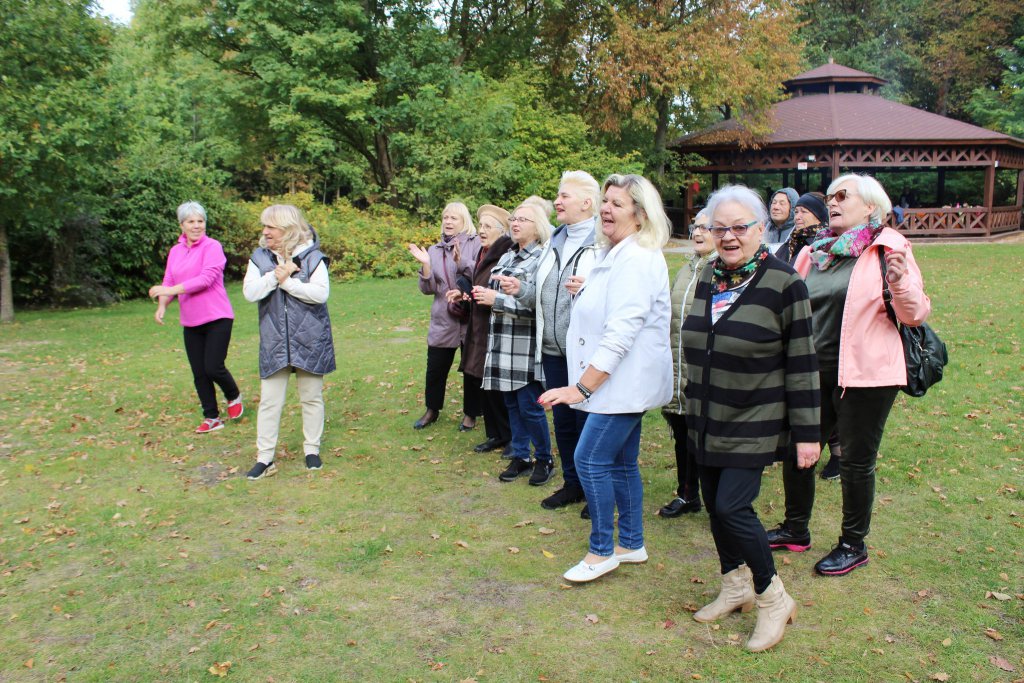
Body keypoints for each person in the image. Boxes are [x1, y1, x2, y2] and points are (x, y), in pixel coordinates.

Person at [765, 173, 932, 576]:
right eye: (830, 196)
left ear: (871, 207)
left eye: (843, 196)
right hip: (812, 370)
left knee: (856, 461)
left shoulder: (887, 248)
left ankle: (853, 544)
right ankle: (795, 528)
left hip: (866, 375)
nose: (833, 202)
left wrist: (898, 283)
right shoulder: (815, 250)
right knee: (798, 451)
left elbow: (915, 313)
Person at [681, 184, 819, 652]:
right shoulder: (707, 277)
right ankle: (734, 584)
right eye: (720, 228)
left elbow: (802, 361)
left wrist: (808, 434)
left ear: (762, 229)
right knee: (714, 507)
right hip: (704, 414)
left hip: (754, 416)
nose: (729, 236)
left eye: (740, 227)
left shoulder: (785, 283)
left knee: (731, 508)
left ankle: (772, 596)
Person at [538, 173, 672, 584]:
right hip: (616, 384)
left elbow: (621, 334)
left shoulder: (638, 258)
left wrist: (580, 388)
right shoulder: (614, 254)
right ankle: (630, 543)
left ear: (640, 213)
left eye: (617, 203)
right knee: (621, 463)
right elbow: (605, 314)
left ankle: (602, 551)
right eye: (606, 201)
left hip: (621, 385)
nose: (606, 209)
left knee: (589, 458)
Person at [498, 171, 601, 517]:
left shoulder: (602, 243)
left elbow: (614, 297)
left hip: (586, 354)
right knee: (564, 423)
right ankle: (573, 484)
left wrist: (590, 289)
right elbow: (540, 296)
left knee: (588, 423)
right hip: (553, 351)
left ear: (587, 202)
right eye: (557, 196)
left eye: (564, 196)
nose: (557, 202)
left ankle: (594, 491)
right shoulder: (554, 241)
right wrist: (521, 291)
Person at [242, 205, 336, 479]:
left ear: (287, 228)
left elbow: (320, 294)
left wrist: (288, 284)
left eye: (270, 227)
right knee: (270, 401)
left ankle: (312, 451)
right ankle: (264, 458)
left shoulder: (312, 257)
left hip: (310, 337)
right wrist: (274, 275)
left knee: (311, 397)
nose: (265, 232)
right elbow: (250, 292)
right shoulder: (259, 258)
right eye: (264, 227)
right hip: (274, 340)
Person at [149, 201, 242, 434]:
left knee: (213, 367)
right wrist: (163, 305)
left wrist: (168, 291)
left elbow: (205, 279)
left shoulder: (212, 247)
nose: (197, 225)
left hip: (217, 316)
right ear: (181, 225)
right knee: (199, 373)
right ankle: (211, 417)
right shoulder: (175, 251)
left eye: (200, 221)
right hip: (191, 321)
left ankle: (233, 395)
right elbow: (168, 280)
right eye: (191, 221)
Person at [475, 202, 552, 484]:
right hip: (502, 343)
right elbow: (500, 294)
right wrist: (486, 293)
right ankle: (521, 456)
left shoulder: (542, 258)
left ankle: (544, 458)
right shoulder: (507, 257)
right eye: (514, 219)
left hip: (525, 345)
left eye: (523, 219)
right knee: (511, 404)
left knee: (530, 406)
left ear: (538, 225)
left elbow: (539, 307)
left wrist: (499, 301)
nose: (515, 223)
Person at [658, 208, 715, 518]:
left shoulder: (720, 270)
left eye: (707, 228)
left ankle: (718, 500)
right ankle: (687, 494)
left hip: (704, 370)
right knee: (683, 433)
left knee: (705, 437)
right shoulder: (686, 269)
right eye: (696, 226)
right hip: (678, 366)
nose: (698, 232)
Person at [407, 203, 482, 431]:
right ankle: (432, 409)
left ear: (464, 221)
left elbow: (480, 274)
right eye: (445, 217)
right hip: (443, 318)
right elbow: (428, 289)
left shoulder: (476, 243)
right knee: (436, 368)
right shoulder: (433, 250)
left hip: (471, 317)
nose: (448, 222)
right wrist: (426, 266)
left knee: (471, 368)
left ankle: (471, 413)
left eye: (454, 218)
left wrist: (461, 262)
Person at [787, 192, 844, 482]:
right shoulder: (796, 243)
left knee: (829, 408)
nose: (798, 216)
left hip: (834, 343)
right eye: (796, 211)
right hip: (808, 339)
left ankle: (838, 455)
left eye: (804, 212)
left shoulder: (820, 245)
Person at [453, 205, 514, 454]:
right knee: (484, 384)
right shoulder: (484, 252)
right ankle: (495, 435)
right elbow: (480, 286)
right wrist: (465, 294)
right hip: (479, 327)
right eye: (480, 226)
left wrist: (492, 297)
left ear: (502, 231)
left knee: (499, 388)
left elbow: (506, 290)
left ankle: (510, 437)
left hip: (496, 328)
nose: (481, 231)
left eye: (488, 226)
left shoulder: (506, 253)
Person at [764, 187, 799, 256]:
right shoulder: (762, 229)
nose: (776, 207)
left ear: (793, 208)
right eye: (774, 203)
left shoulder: (799, 233)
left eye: (782, 203)